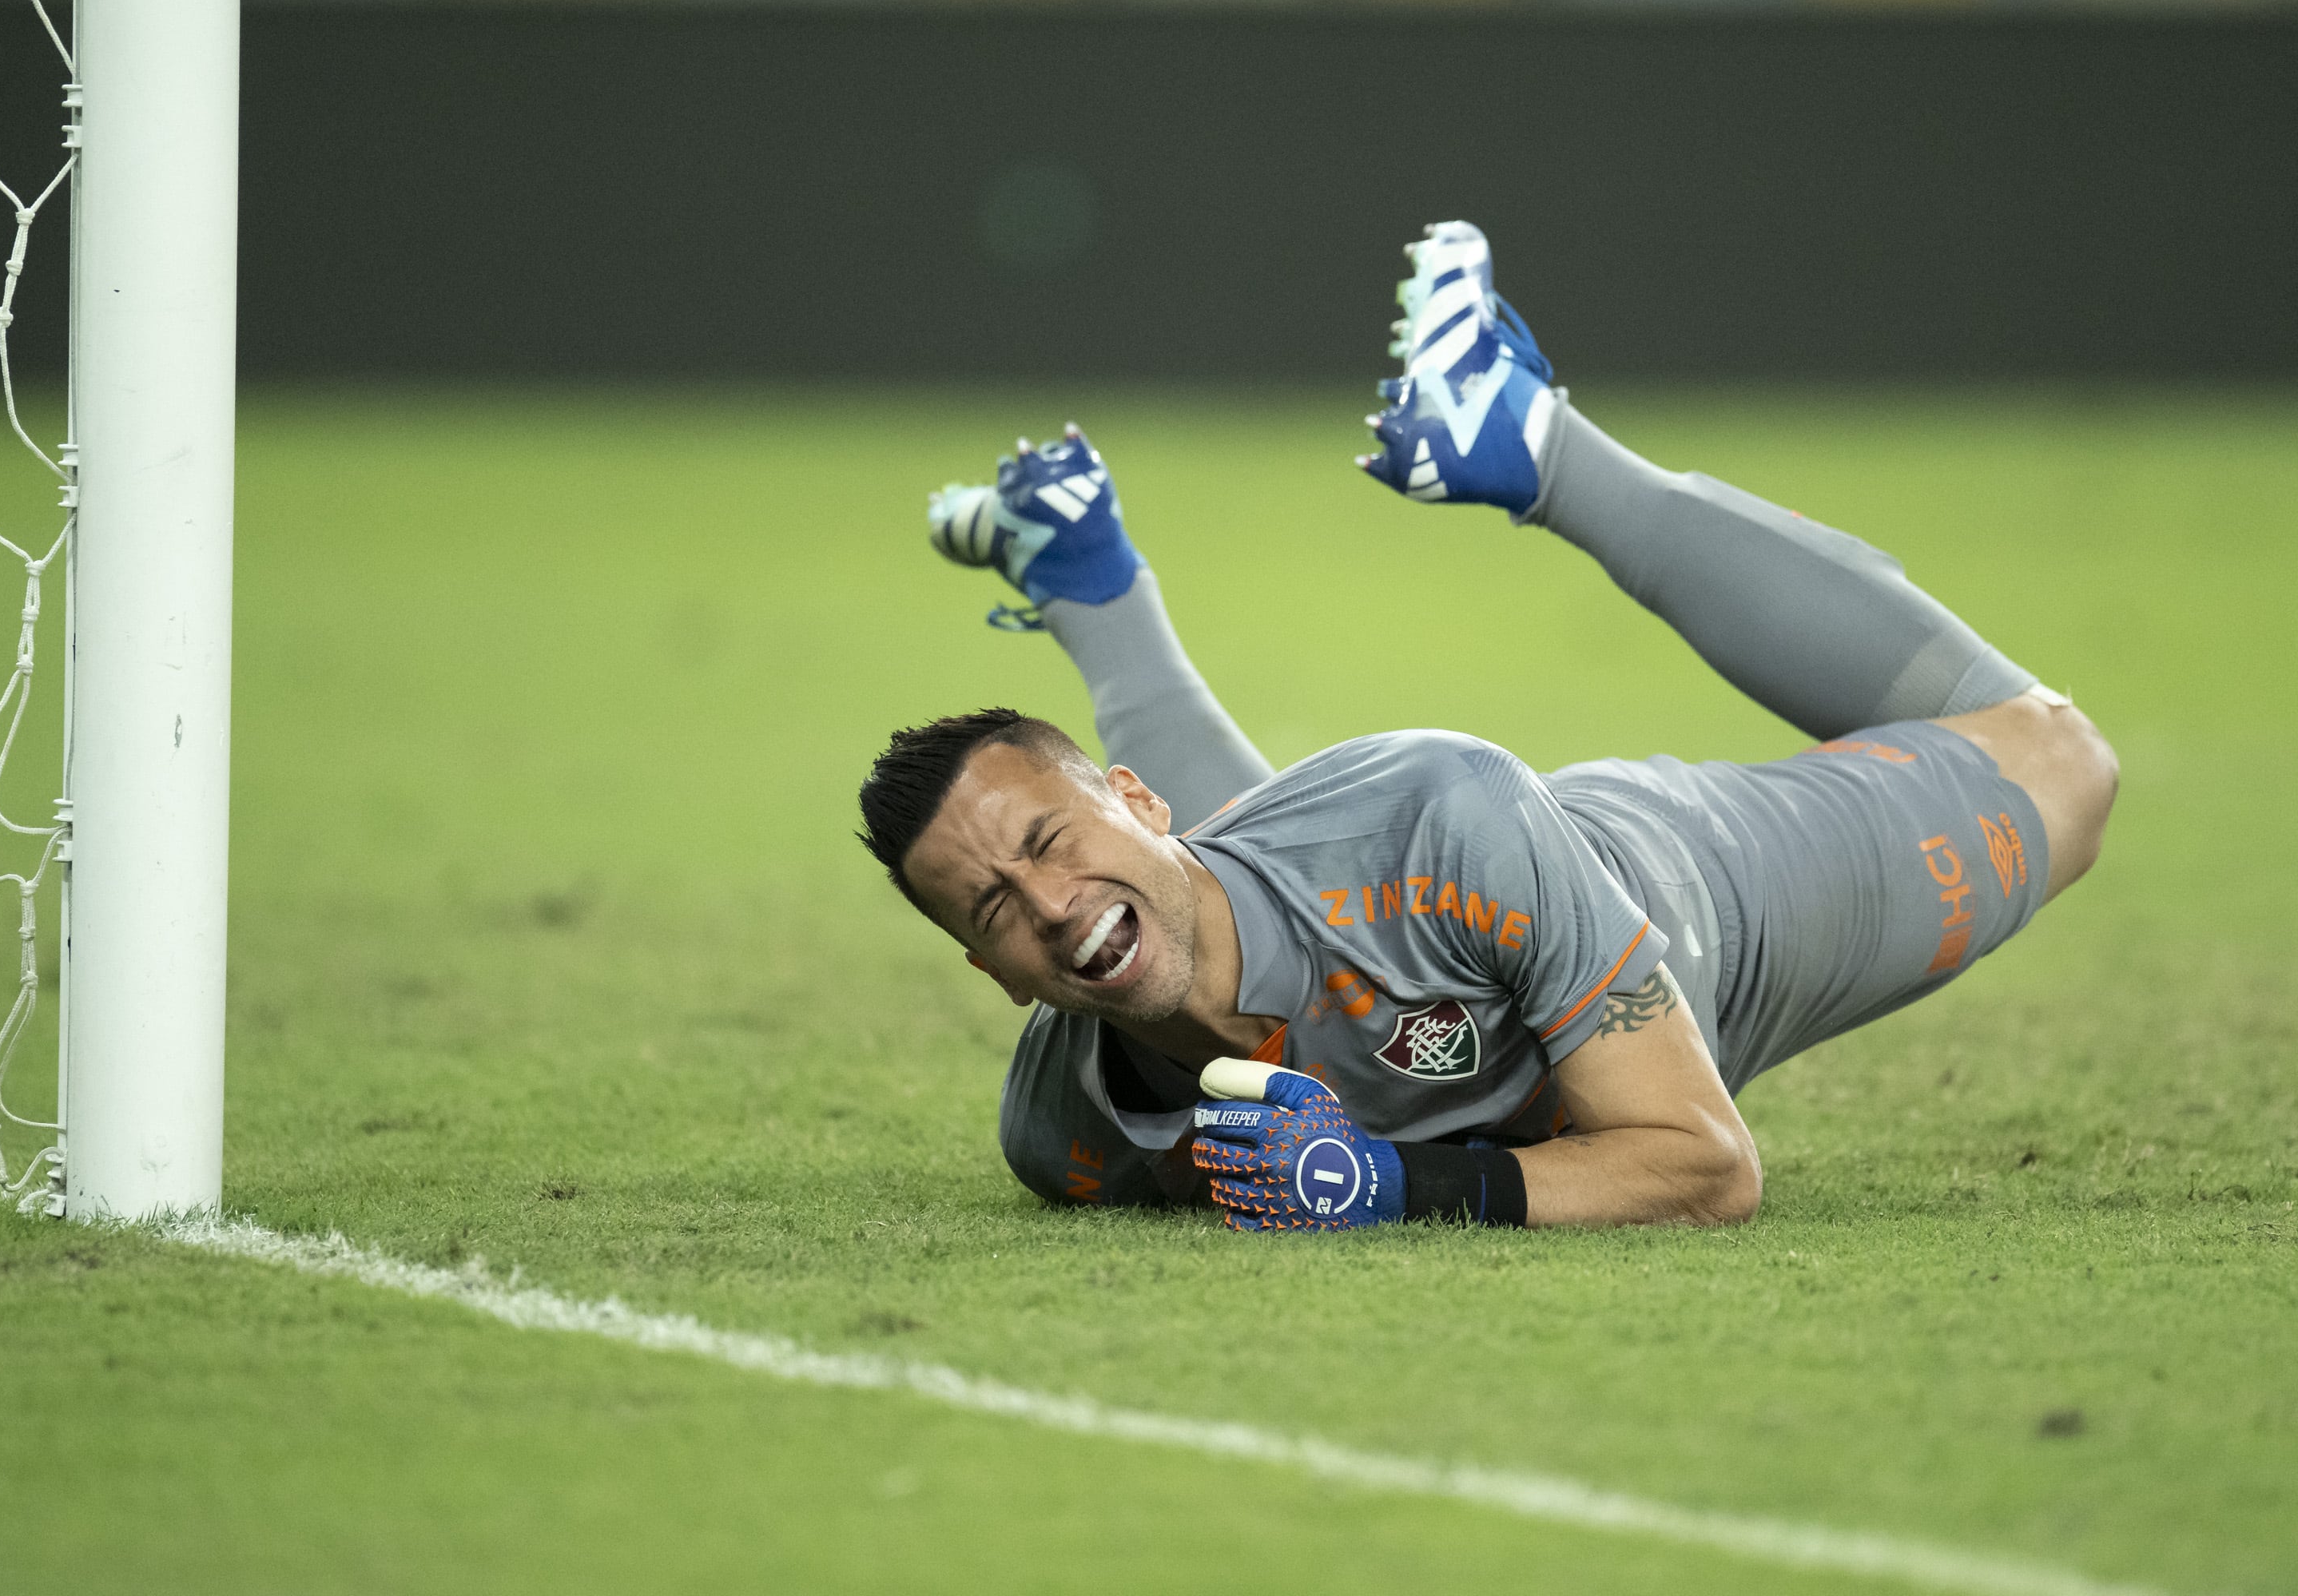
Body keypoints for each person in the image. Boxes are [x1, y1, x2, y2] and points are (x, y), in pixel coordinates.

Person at [856, 221, 2117, 1231]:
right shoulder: (1064, 1141)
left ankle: (1534, 442)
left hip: (1695, 904)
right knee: (1214, 900)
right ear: (990, 974)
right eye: (994, 908)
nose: (1051, 905)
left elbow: (1704, 1166)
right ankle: (1082, 568)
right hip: (1372, 886)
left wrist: (1391, 1187)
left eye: (1049, 842)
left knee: (2061, 764)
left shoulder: (1445, 813)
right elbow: (1150, 901)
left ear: (1138, 796)